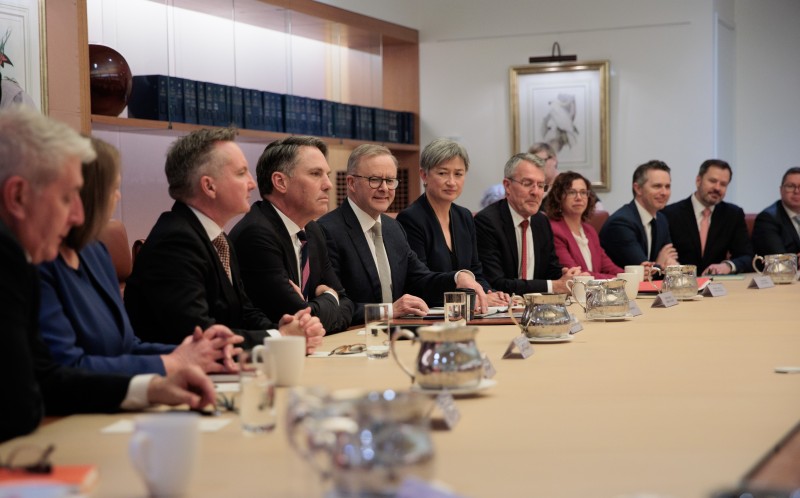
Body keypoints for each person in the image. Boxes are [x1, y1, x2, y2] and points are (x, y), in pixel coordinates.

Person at [0, 107, 215, 443]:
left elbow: (48, 377)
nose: (77, 215)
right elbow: (23, 407)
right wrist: (166, 366)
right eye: (67, 197)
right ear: (16, 196)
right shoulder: (11, 258)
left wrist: (153, 387)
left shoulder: (31, 256)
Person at [37, 138, 243, 377]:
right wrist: (170, 366)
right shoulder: (38, 261)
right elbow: (63, 367)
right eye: (114, 188)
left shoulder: (95, 252)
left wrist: (199, 355)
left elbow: (126, 346)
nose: (118, 198)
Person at [124, 128, 324, 352]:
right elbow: (199, 335)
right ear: (209, 186)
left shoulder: (218, 238)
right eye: (241, 173)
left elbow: (244, 312)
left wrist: (284, 330)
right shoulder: (175, 243)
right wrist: (279, 337)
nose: (252, 183)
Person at [318, 144, 488, 324]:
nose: (384, 188)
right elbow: (335, 306)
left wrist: (457, 277)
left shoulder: (393, 228)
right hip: (352, 338)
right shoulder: (328, 231)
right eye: (375, 180)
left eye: (390, 180)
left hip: (398, 333)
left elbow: (421, 280)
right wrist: (389, 311)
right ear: (351, 183)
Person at [229, 136, 354, 333]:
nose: (328, 184)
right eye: (315, 174)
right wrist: (330, 297)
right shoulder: (257, 234)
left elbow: (347, 304)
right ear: (280, 182)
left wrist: (320, 303)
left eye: (327, 174)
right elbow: (296, 318)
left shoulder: (313, 230)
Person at [396, 138, 509, 306]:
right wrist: (473, 298)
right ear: (424, 175)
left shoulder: (464, 216)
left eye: (458, 174)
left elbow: (475, 272)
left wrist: (489, 294)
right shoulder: (410, 219)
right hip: (430, 313)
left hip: (466, 311)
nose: (451, 182)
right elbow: (420, 282)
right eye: (442, 173)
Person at [474, 152, 581, 295]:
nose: (536, 192)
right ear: (507, 186)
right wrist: (553, 286)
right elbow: (496, 282)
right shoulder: (487, 222)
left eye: (541, 185)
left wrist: (566, 275)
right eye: (527, 183)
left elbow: (550, 269)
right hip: (505, 308)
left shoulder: (541, 221)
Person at [662, 159, 753, 275]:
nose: (717, 188)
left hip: (718, 286)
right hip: (680, 284)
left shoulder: (733, 214)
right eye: (712, 181)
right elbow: (663, 254)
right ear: (698, 180)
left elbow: (747, 256)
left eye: (723, 184)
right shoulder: (669, 214)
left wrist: (727, 266)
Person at [599, 160, 678, 270]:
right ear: (638, 189)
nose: (664, 192)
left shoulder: (661, 219)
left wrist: (667, 264)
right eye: (657, 186)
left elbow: (670, 258)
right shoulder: (620, 223)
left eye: (667, 186)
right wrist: (659, 266)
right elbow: (642, 269)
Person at [544, 171, 622, 279]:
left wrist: (631, 276)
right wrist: (615, 279)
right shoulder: (554, 230)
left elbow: (609, 267)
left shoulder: (590, 231)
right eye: (571, 192)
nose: (579, 197)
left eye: (583, 192)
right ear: (559, 197)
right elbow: (577, 275)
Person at [479, 142, 559, 209]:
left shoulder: (565, 186)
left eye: (541, 161)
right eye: (533, 163)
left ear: (554, 160)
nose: (538, 166)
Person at [752, 166, 800, 257]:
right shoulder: (767, 219)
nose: (796, 191)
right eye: (790, 186)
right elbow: (779, 258)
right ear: (781, 190)